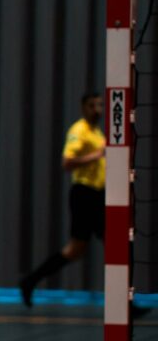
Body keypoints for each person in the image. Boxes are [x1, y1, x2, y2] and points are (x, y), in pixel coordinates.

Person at [19, 93, 106, 307]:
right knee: (111, 246)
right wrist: (96, 156)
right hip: (85, 195)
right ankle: (125, 305)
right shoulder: (79, 131)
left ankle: (29, 281)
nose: (98, 109)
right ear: (83, 108)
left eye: (100, 105)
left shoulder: (97, 132)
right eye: (92, 105)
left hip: (97, 195)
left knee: (76, 250)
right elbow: (66, 163)